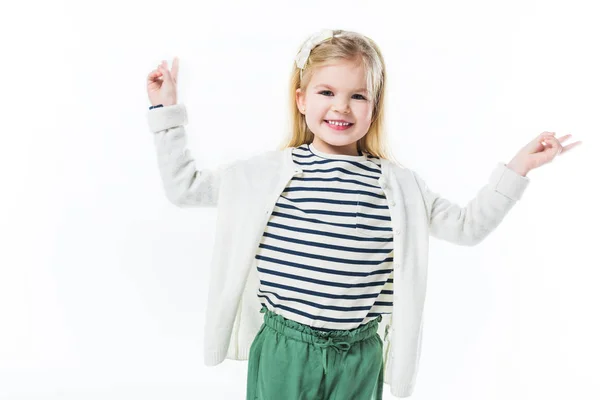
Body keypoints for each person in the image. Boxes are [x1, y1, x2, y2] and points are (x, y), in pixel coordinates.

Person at [145, 29, 582, 399]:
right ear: (301, 99)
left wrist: (517, 169)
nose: (341, 107)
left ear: (374, 107)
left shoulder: (399, 187)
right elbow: (185, 188)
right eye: (327, 92)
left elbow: (467, 228)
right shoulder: (266, 175)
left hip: (358, 353)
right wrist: (166, 112)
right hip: (285, 348)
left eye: (358, 95)